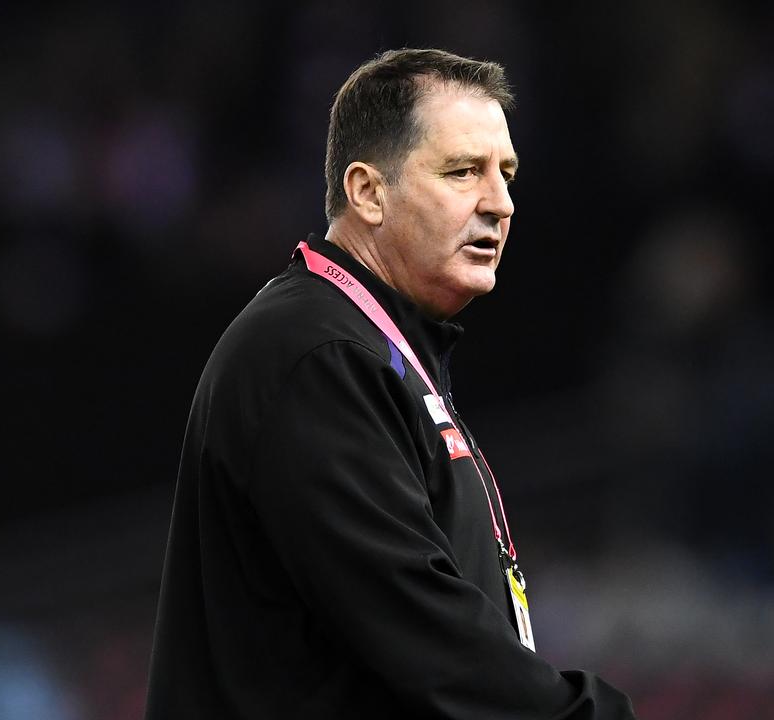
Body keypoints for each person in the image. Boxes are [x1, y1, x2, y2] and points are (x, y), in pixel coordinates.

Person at [144, 48, 636, 718]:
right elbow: (421, 631)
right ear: (368, 191)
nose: (501, 203)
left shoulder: (373, 349)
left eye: (507, 174)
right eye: (463, 172)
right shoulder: (314, 355)